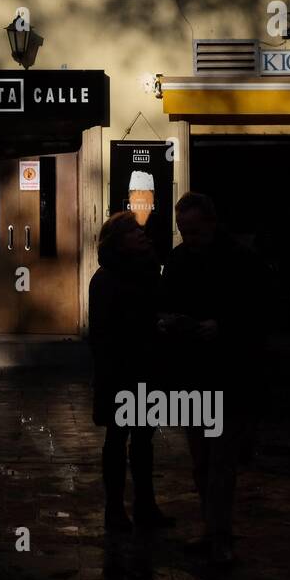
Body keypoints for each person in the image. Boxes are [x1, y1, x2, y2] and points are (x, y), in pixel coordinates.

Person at [159, 192, 268, 566]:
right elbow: (167, 302)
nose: (188, 237)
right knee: (201, 461)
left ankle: (219, 534)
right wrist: (171, 322)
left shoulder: (242, 260)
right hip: (192, 374)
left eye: (194, 230)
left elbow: (263, 314)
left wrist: (223, 327)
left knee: (221, 462)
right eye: (182, 230)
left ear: (211, 223)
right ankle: (211, 528)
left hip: (231, 375)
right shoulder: (177, 259)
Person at [88, 211, 175, 533]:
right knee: (117, 437)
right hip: (120, 371)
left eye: (140, 229)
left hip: (148, 366)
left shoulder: (149, 270)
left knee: (144, 439)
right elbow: (102, 333)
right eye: (131, 231)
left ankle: (145, 504)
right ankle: (115, 509)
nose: (140, 234)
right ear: (117, 240)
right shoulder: (107, 277)